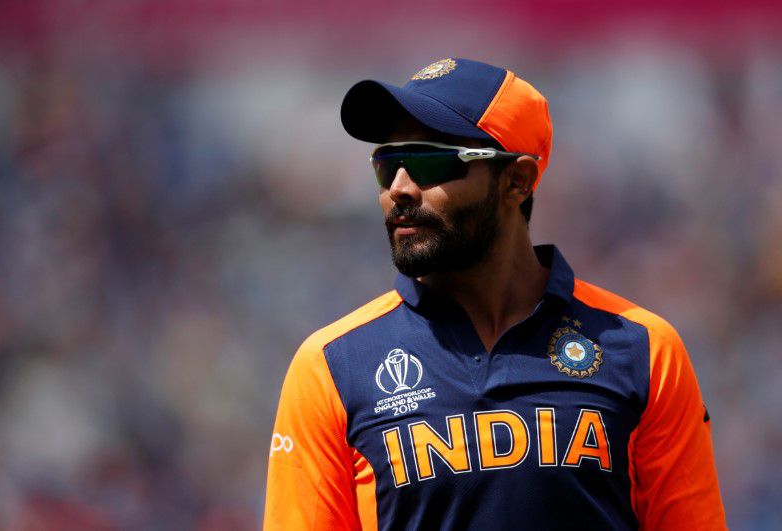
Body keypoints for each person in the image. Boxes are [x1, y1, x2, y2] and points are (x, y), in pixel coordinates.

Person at [263, 58, 727, 530]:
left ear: (518, 180)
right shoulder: (332, 366)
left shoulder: (644, 350)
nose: (399, 189)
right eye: (387, 165)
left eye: (429, 162)